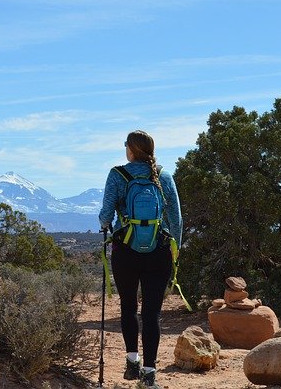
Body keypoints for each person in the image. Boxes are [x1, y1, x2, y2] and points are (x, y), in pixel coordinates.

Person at [99, 130, 182, 388]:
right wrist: (174, 249)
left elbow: (105, 215)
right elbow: (176, 219)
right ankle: (149, 375)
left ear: (131, 150)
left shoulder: (117, 174)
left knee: (128, 307)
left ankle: (132, 363)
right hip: (158, 251)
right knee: (152, 314)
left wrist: (108, 228)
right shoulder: (163, 175)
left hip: (125, 250)